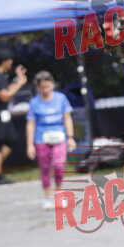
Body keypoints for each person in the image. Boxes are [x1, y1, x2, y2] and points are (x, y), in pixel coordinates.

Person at [26, 71, 76, 209]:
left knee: (59, 166)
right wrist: (30, 144)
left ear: (52, 84)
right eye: (42, 87)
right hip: (41, 139)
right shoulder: (34, 102)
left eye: (47, 86)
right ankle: (48, 197)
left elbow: (67, 118)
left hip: (59, 137)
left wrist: (70, 137)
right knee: (45, 168)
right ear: (38, 87)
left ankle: (59, 195)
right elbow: (30, 124)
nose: (45, 90)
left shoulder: (61, 99)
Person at [0, 48, 27, 185]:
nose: (11, 63)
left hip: (2, 114)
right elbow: (4, 96)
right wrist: (20, 83)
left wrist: (18, 79)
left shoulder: (0, 75)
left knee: (11, 140)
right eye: (10, 60)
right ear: (4, 61)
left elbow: (7, 90)